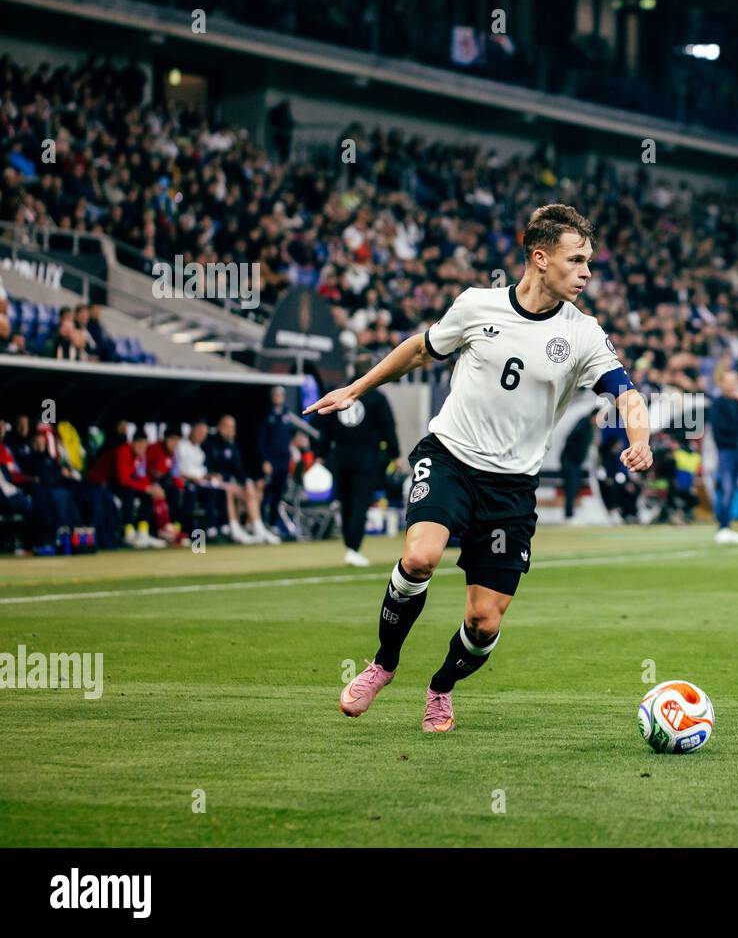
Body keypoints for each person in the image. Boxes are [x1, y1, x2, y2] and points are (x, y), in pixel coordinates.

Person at [306, 204, 651, 734]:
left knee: (482, 621)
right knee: (420, 558)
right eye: (576, 260)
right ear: (540, 258)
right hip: (449, 457)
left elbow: (625, 394)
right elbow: (420, 351)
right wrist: (355, 388)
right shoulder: (476, 305)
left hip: (511, 489)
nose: (586, 273)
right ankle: (383, 664)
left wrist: (640, 439)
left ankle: (440, 688)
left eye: (589, 262)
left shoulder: (583, 335)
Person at [313, 366, 400, 566]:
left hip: (341, 458)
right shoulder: (377, 397)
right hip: (366, 459)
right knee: (360, 504)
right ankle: (354, 548)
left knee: (346, 504)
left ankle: (349, 546)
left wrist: (321, 454)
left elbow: (326, 428)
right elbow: (388, 427)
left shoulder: (342, 394)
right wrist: (395, 454)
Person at [206, 415, 280, 544]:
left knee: (252, 491)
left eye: (232, 427)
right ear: (219, 427)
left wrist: (248, 482)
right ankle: (235, 530)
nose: (229, 430)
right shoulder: (210, 443)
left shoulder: (232, 446)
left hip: (229, 483)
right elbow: (208, 466)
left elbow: (239, 469)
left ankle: (257, 527)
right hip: (213, 484)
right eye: (226, 426)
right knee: (229, 490)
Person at [710, 369, 738, 544]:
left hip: (737, 450)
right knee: (726, 488)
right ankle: (723, 526)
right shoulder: (718, 404)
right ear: (722, 384)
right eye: (730, 381)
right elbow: (721, 430)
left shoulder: (736, 403)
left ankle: (727, 526)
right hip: (726, 451)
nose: (733, 385)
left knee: (732, 488)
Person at [258, 386, 295, 538]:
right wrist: (265, 460)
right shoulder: (267, 415)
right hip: (271, 461)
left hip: (283, 461)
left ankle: (273, 524)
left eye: (280, 395)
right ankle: (261, 523)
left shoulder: (287, 415)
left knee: (279, 493)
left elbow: (292, 435)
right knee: (267, 493)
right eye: (275, 395)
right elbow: (262, 441)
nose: (278, 397)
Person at [559, 407, 600, 521]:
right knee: (571, 486)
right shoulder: (584, 423)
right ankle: (569, 516)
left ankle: (571, 514)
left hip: (576, 462)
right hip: (570, 460)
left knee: (574, 486)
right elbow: (571, 438)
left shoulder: (591, 427)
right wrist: (576, 455)